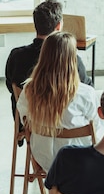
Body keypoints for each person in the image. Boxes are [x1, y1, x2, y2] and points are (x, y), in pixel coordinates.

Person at [16, 32, 98, 172]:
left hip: (45, 160)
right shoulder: (86, 94)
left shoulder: (28, 91)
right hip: (80, 161)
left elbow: (25, 121)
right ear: (73, 60)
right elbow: (97, 130)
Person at [5, 0, 92, 122]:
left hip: (29, 121)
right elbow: (87, 88)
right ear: (58, 26)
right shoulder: (71, 59)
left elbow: (11, 87)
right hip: (63, 123)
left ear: (36, 25)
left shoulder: (16, 56)